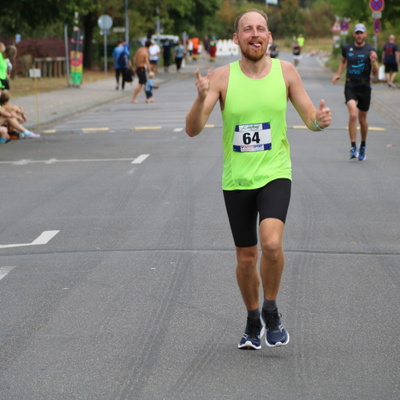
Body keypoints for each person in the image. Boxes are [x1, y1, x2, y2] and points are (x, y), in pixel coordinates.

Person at [185, 9, 332, 350]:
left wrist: (320, 120)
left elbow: (310, 118)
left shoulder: (286, 72)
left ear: (269, 36)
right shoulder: (221, 78)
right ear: (236, 38)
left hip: (275, 173)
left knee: (271, 244)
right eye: (248, 29)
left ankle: (271, 309)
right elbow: (192, 129)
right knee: (247, 258)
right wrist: (199, 98)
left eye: (261, 28)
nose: (255, 33)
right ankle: (253, 319)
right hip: (237, 180)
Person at [332, 23, 378, 161]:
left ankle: (362, 145)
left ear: (365, 34)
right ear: (353, 34)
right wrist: (338, 74)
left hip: (364, 86)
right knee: (353, 114)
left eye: (361, 33)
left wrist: (374, 62)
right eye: (357, 33)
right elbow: (343, 61)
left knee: (362, 119)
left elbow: (375, 73)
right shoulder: (347, 48)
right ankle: (353, 146)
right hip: (350, 85)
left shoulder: (370, 50)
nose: (359, 35)